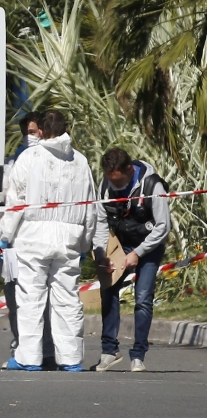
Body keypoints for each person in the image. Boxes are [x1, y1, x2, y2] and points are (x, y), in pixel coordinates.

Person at [0, 110, 96, 372]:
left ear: (40, 131)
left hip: (34, 236)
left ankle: (29, 357)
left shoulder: (29, 157)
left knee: (31, 299)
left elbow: (16, 201)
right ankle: (71, 358)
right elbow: (90, 207)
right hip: (69, 238)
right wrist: (85, 243)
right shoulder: (81, 161)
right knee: (67, 299)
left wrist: (5, 237)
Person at [92, 148, 170, 373]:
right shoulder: (105, 185)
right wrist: (101, 255)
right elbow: (99, 222)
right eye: (110, 180)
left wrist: (138, 252)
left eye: (119, 181)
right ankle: (109, 351)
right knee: (108, 290)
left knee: (143, 298)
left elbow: (163, 226)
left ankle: (138, 355)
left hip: (149, 245)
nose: (115, 186)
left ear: (129, 169)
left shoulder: (152, 185)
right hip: (120, 244)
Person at [0, 111, 55, 367]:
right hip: (11, 245)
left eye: (34, 132)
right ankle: (21, 344)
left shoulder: (59, 163)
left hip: (38, 239)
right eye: (27, 133)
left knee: (44, 299)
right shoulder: (13, 163)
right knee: (14, 297)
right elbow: (6, 198)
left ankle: (48, 350)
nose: (31, 137)